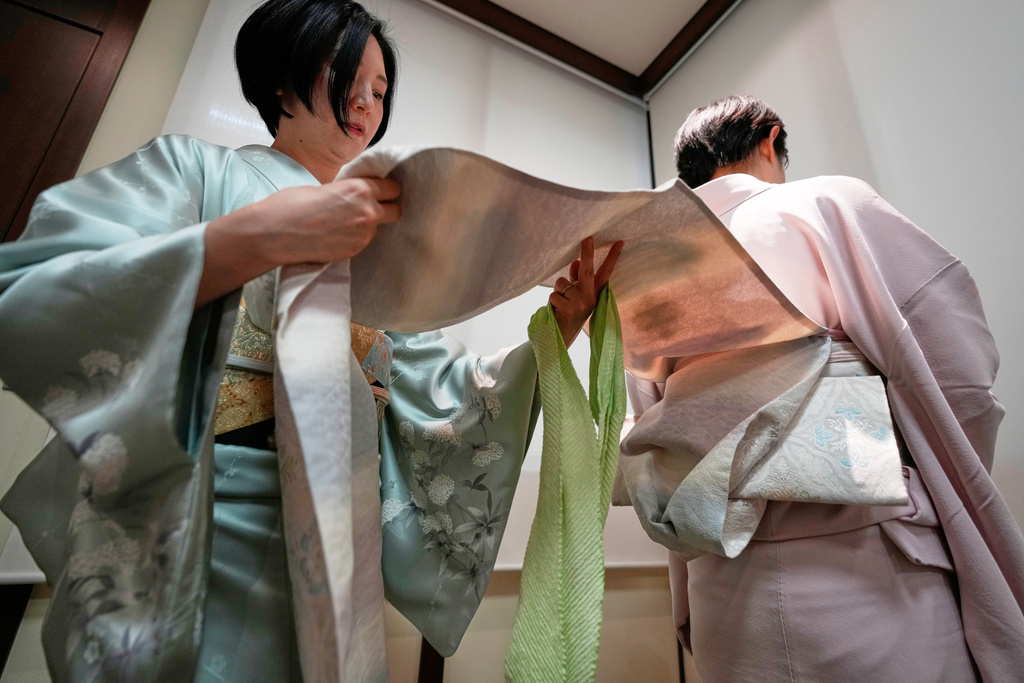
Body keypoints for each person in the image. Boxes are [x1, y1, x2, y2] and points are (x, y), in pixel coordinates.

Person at [0, 1, 616, 680]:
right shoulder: (195, 171)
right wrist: (255, 238)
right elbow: (34, 290)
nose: (366, 100)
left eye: (381, 91)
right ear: (280, 76)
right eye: (345, 71)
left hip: (338, 542)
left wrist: (557, 329)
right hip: (203, 521)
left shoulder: (378, 244)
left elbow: (441, 394)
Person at [618, 95, 1024, 680]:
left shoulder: (648, 268)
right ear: (769, 140)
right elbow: (954, 364)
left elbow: (648, 410)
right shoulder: (822, 201)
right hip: (866, 558)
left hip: (724, 584)